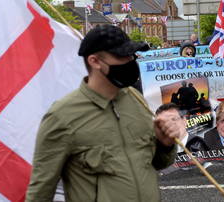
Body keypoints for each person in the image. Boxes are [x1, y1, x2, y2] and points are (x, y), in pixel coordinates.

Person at [26, 25, 180, 202]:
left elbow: (157, 163)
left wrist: (165, 144)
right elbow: (40, 191)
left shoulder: (135, 100)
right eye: (121, 56)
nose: (130, 61)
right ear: (95, 61)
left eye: (131, 55)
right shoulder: (62, 116)